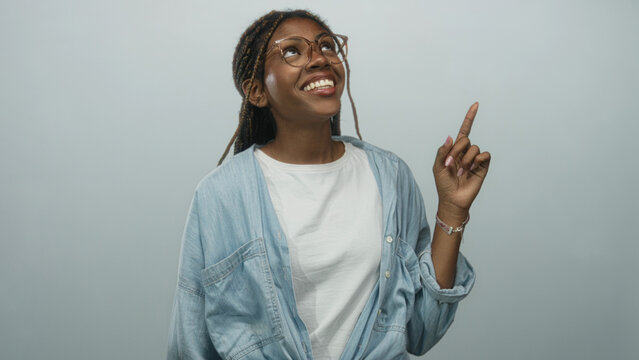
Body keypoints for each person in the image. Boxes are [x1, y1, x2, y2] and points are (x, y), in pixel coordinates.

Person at [167, 9, 491, 360]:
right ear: (257, 91)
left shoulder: (390, 176)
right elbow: (191, 342)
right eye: (292, 50)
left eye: (326, 45)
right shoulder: (221, 195)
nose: (320, 58)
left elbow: (422, 329)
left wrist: (452, 209)